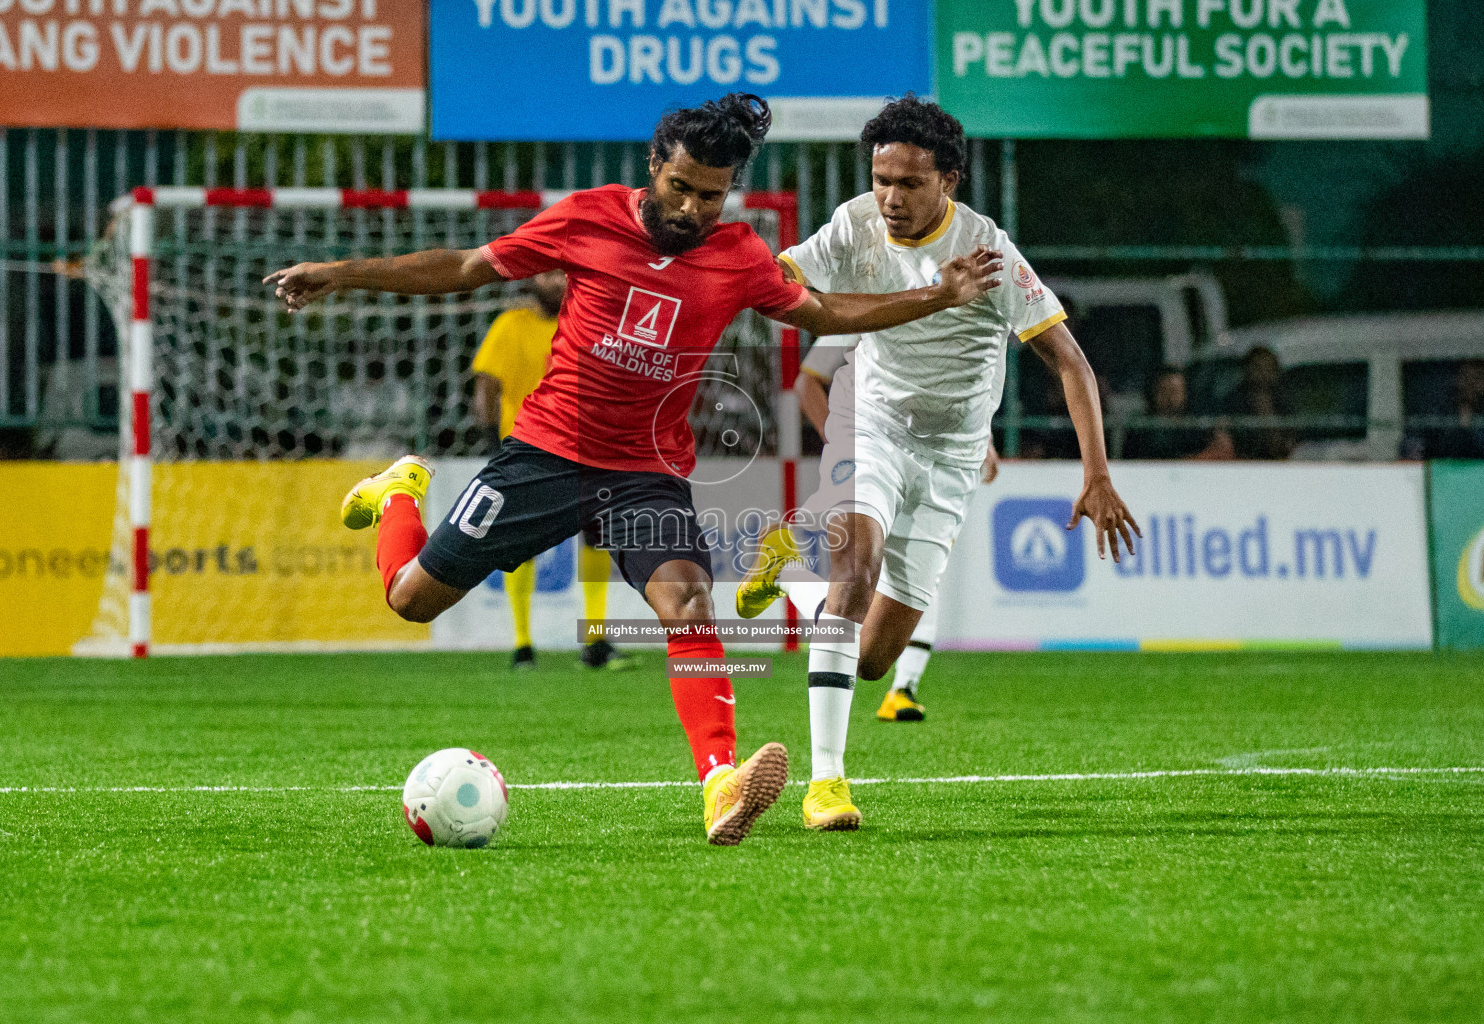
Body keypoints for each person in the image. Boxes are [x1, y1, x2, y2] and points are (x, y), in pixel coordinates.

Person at [265, 92, 1004, 846]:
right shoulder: (586, 216)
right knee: (411, 599)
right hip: (548, 452)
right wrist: (346, 273)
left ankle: (719, 782)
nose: (690, 208)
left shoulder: (740, 256)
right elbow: (464, 266)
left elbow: (825, 313)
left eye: (710, 196)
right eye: (679, 187)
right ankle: (399, 492)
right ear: (655, 168)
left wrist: (933, 296)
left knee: (689, 605)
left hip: (646, 472)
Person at [736, 95, 1139, 832]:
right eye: (881, 177)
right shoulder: (856, 223)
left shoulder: (989, 253)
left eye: (910, 182)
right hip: (874, 424)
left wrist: (1098, 473)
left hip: (952, 455)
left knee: (872, 661)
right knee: (854, 573)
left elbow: (1069, 361)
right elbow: (775, 278)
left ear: (947, 179)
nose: (890, 196)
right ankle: (826, 785)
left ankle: (790, 569)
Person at [794, 335, 1001, 723]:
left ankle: (902, 687)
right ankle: (892, 697)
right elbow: (807, 383)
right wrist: (843, 444)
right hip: (872, 456)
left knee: (875, 646)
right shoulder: (870, 293)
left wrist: (981, 437)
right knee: (860, 575)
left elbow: (973, 377)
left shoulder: (969, 298)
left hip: (938, 460)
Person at [471, 269, 632, 672]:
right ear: (531, 281)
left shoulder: (589, 324)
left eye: (564, 274)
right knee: (520, 545)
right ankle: (523, 644)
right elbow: (487, 388)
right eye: (547, 275)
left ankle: (595, 641)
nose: (557, 282)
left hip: (586, 449)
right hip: (527, 450)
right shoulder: (512, 325)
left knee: (597, 538)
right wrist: (495, 448)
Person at [1123, 366, 1232, 460]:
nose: (1169, 398)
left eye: (1175, 391)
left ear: (1184, 393)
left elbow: (1222, 449)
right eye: (1163, 391)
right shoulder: (1140, 428)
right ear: (1153, 393)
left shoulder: (1197, 424)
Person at [1223, 346, 1295, 460]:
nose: (1263, 374)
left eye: (1269, 368)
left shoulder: (1284, 399)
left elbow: (1289, 444)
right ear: (1247, 370)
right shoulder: (1232, 403)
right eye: (1258, 367)